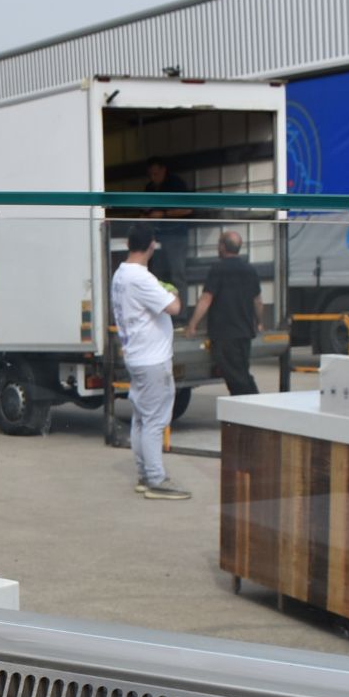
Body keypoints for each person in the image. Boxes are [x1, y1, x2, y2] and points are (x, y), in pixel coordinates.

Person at [111, 224, 189, 500]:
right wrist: (173, 289)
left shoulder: (120, 275)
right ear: (151, 245)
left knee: (142, 419)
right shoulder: (141, 279)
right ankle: (157, 480)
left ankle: (145, 474)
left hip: (136, 356)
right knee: (155, 420)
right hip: (153, 360)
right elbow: (174, 307)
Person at [185, 230, 263, 396]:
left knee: (236, 377)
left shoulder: (218, 269)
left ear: (222, 246)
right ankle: (251, 408)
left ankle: (252, 408)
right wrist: (259, 322)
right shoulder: (250, 270)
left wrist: (192, 325)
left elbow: (206, 298)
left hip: (225, 334)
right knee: (241, 372)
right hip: (245, 333)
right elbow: (258, 300)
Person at [142, 158, 193, 286]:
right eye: (151, 175)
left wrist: (163, 214)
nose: (153, 178)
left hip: (176, 235)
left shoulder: (176, 184)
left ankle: (180, 306)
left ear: (163, 170)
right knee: (157, 275)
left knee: (177, 274)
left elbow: (188, 209)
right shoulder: (150, 187)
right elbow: (146, 210)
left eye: (156, 174)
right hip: (156, 237)